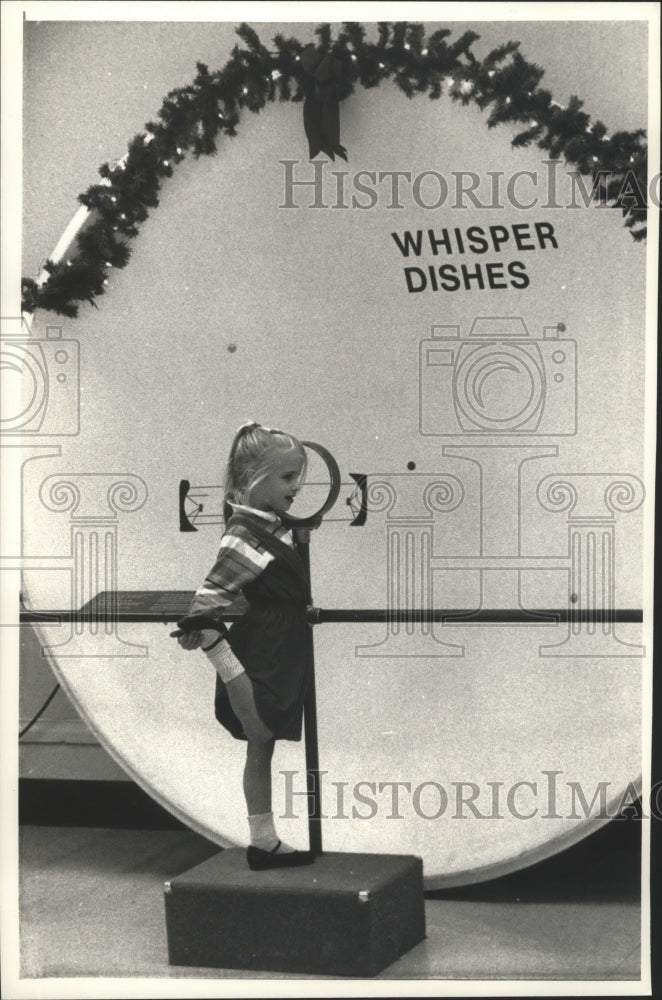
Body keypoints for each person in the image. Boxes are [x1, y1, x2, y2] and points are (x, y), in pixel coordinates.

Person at [173, 421, 315, 870]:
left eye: (299, 477)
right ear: (256, 479)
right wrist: (216, 645)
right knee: (260, 733)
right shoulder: (245, 535)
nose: (297, 487)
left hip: (280, 647)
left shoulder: (265, 528)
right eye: (288, 478)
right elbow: (207, 602)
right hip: (265, 654)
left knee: (263, 743)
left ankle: (263, 840)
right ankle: (263, 841)